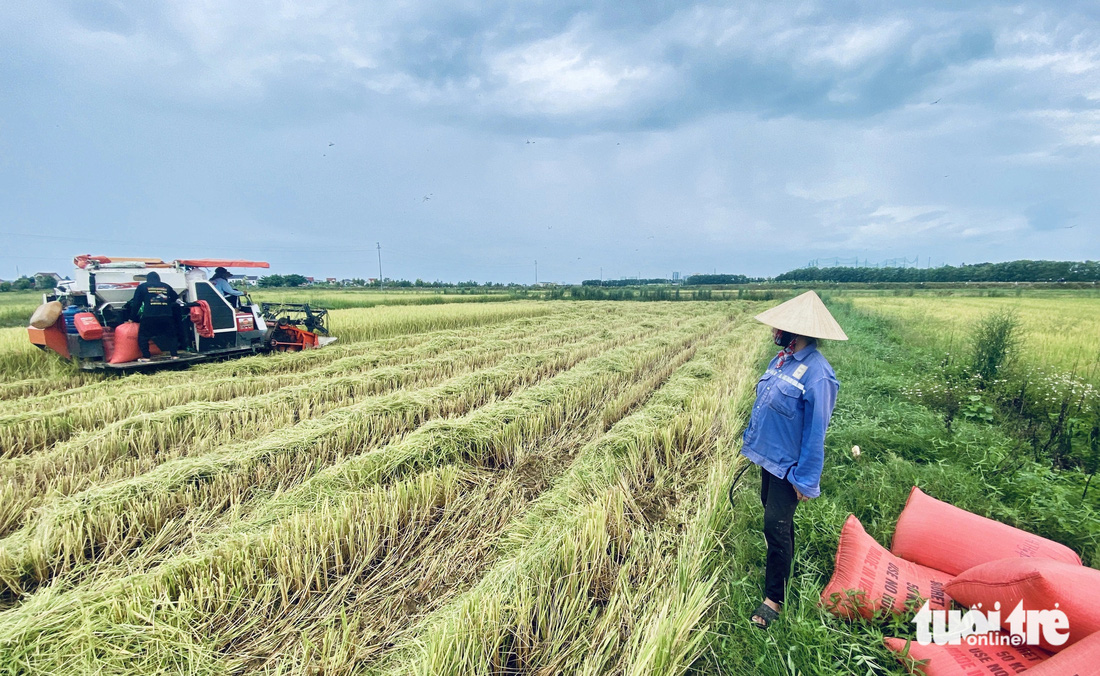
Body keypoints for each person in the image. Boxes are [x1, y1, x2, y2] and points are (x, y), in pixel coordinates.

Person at [741, 290, 847, 629]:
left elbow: (817, 433)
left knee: (775, 524)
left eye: (779, 328)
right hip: (769, 458)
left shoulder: (819, 375)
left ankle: (775, 598)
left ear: (797, 332)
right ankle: (784, 561)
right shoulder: (782, 360)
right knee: (778, 523)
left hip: (789, 468)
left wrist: (806, 479)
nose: (774, 333)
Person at [127, 270, 180, 361]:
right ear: (159, 278)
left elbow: (136, 303)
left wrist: (131, 317)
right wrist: (166, 302)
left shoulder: (142, 287)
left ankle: (146, 357)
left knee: (143, 336)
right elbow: (175, 297)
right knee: (171, 336)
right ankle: (174, 355)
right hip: (166, 316)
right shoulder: (166, 286)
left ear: (147, 279)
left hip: (149, 316)